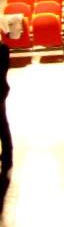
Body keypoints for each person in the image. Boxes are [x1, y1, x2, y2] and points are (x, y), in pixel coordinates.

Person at [0, 43, 12, 174]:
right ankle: (7, 155)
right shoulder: (3, 48)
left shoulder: (2, 49)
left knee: (2, 124)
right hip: (1, 88)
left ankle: (7, 155)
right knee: (2, 123)